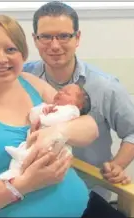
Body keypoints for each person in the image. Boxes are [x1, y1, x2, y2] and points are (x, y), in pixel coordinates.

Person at [0, 15, 99, 217]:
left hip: (85, 207)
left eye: (11, 49)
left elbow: (90, 127)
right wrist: (22, 185)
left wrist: (58, 132)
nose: (2, 58)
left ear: (23, 53)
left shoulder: (30, 83)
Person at [23, 1, 134, 199]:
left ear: (78, 38)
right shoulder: (22, 78)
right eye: (46, 37)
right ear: (35, 39)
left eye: (64, 36)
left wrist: (117, 164)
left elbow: (132, 132)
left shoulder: (105, 86)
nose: (55, 45)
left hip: (89, 193)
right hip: (31, 192)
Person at [0, 84, 91, 181]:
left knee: (34, 155)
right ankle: (14, 172)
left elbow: (57, 119)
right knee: (24, 149)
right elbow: (32, 115)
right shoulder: (49, 106)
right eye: (61, 90)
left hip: (53, 145)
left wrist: (43, 118)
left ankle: (19, 168)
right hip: (34, 140)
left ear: (78, 105)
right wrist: (42, 110)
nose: (60, 92)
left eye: (66, 93)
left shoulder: (72, 111)